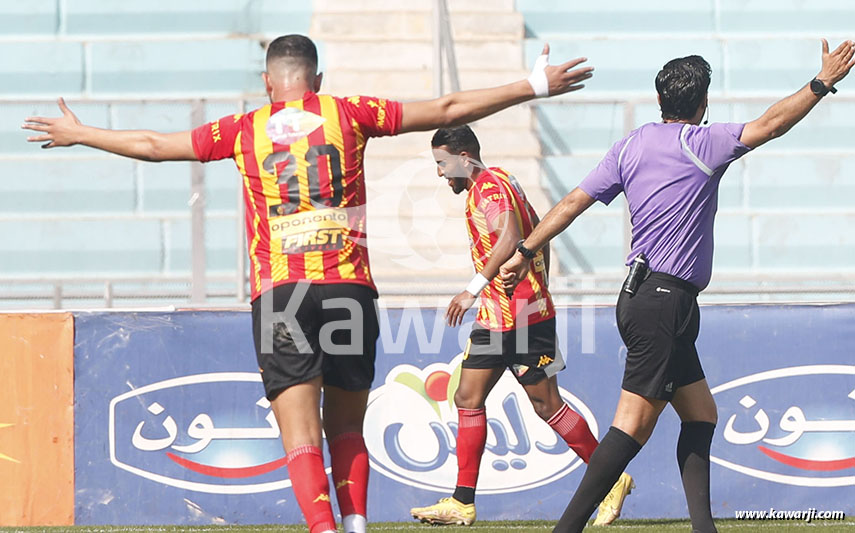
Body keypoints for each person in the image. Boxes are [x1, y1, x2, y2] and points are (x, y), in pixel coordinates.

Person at [22, 34, 594, 533]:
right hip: (348, 292)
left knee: (299, 434)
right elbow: (445, 105)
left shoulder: (244, 130)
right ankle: (356, 525)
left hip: (282, 296)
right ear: (317, 80)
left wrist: (81, 133)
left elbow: (153, 146)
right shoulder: (349, 113)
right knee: (347, 426)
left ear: (269, 82)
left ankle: (324, 530)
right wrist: (532, 85)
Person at [499, 39, 855, 532]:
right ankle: (566, 529)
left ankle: (703, 528)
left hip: (646, 298)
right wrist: (821, 83)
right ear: (702, 103)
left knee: (701, 413)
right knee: (633, 425)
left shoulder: (631, 144)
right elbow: (771, 124)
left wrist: (524, 251)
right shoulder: (703, 143)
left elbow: (571, 203)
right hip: (664, 302)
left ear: (660, 100)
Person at [409, 125, 633, 527]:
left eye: (442, 164)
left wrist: (473, 288)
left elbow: (512, 234)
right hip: (504, 315)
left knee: (546, 404)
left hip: (519, 317)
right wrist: (535, 272)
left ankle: (612, 479)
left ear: (464, 157)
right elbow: (537, 229)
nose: (440, 174)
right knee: (468, 396)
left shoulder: (488, 189)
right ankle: (462, 501)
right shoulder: (504, 178)